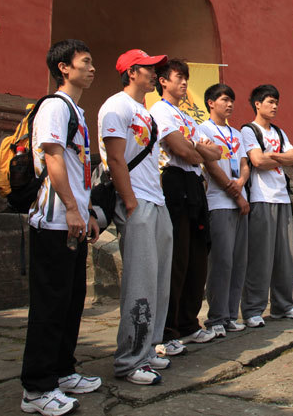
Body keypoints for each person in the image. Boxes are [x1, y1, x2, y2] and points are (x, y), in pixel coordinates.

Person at [20, 40, 101, 416]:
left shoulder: (77, 111)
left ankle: (63, 371)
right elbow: (53, 158)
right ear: (64, 68)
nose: (92, 68)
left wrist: (87, 213)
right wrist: (70, 208)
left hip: (73, 222)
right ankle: (37, 388)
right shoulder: (54, 106)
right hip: (53, 221)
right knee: (50, 305)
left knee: (71, 301)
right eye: (85, 62)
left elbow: (78, 167)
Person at [98, 49, 171, 385]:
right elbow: (115, 158)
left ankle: (148, 347)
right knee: (140, 280)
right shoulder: (116, 106)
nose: (155, 74)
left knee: (158, 279)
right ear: (131, 72)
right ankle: (130, 359)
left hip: (155, 199)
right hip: (136, 201)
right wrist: (128, 200)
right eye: (149, 68)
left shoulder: (146, 113)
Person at [150, 59, 222, 352]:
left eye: (186, 78)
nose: (184, 83)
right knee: (177, 257)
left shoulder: (188, 117)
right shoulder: (159, 110)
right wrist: (197, 149)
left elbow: (216, 152)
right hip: (173, 182)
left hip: (195, 185)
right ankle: (167, 330)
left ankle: (189, 323)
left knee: (197, 255)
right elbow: (180, 150)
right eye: (179, 77)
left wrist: (195, 149)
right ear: (163, 81)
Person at [240, 84, 293, 326]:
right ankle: (253, 310)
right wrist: (280, 158)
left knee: (285, 257)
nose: (275, 106)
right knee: (260, 257)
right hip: (261, 198)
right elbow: (257, 161)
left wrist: (272, 156)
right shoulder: (249, 130)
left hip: (282, 198)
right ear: (257, 104)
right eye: (270, 102)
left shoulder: (279, 132)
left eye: (277, 102)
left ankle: (283, 305)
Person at [198, 83, 251, 334]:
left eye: (231, 100)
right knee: (221, 262)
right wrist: (235, 193)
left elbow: (244, 163)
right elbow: (211, 165)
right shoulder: (203, 130)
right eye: (224, 100)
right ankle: (216, 318)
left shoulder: (236, 134)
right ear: (211, 103)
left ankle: (230, 315)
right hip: (219, 202)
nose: (229, 104)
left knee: (238, 262)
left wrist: (241, 183)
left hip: (240, 201)